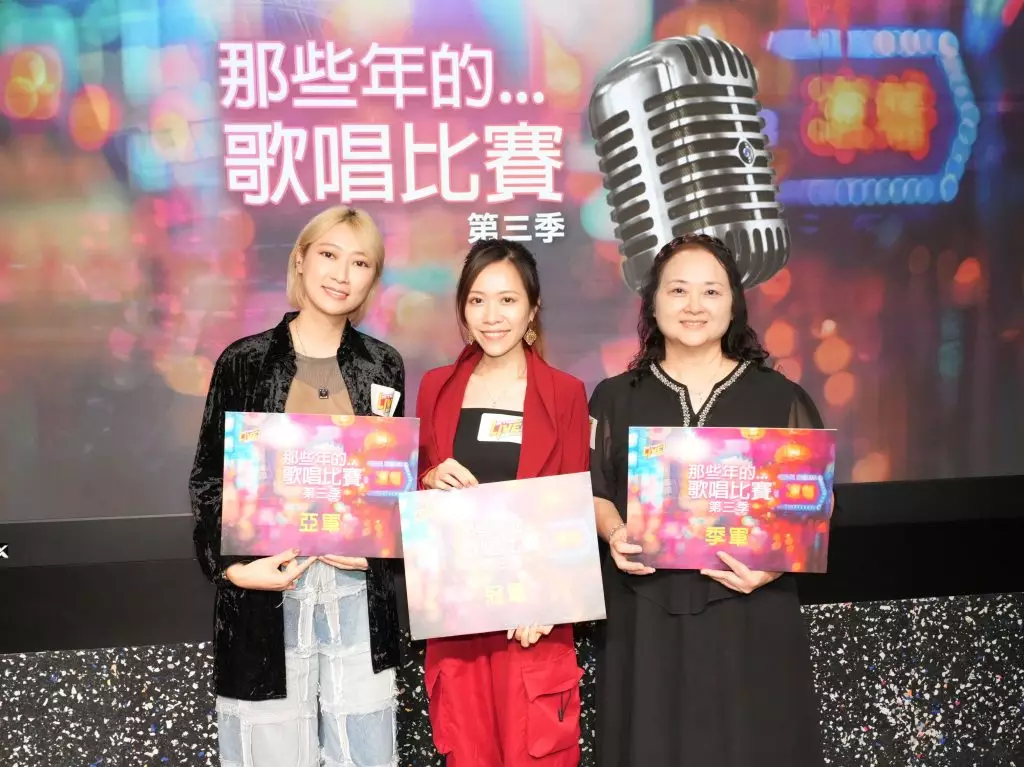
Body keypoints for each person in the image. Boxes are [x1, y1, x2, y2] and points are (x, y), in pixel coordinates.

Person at [588, 233, 826, 767]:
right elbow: (593, 490)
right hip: (644, 615)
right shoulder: (614, 396)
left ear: (734, 304)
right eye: (678, 290)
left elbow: (814, 505)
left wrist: (772, 565)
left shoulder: (779, 396)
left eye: (711, 291)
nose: (694, 305)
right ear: (652, 303)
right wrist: (615, 532)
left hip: (750, 610)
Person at [190, 206, 405, 767]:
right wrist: (234, 569)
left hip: (356, 594)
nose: (342, 274)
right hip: (266, 590)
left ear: (372, 278)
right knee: (270, 748)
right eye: (329, 255)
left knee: (365, 750)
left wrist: (378, 554)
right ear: (301, 260)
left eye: (360, 262)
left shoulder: (384, 366)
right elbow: (210, 477)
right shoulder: (245, 361)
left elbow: (387, 482)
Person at [416, 238, 590, 766]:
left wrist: (550, 600)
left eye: (508, 300)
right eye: (477, 300)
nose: (491, 316)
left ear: (533, 309)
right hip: (459, 621)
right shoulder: (435, 388)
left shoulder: (565, 393)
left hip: (532, 622)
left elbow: (574, 507)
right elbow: (413, 499)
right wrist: (429, 479)